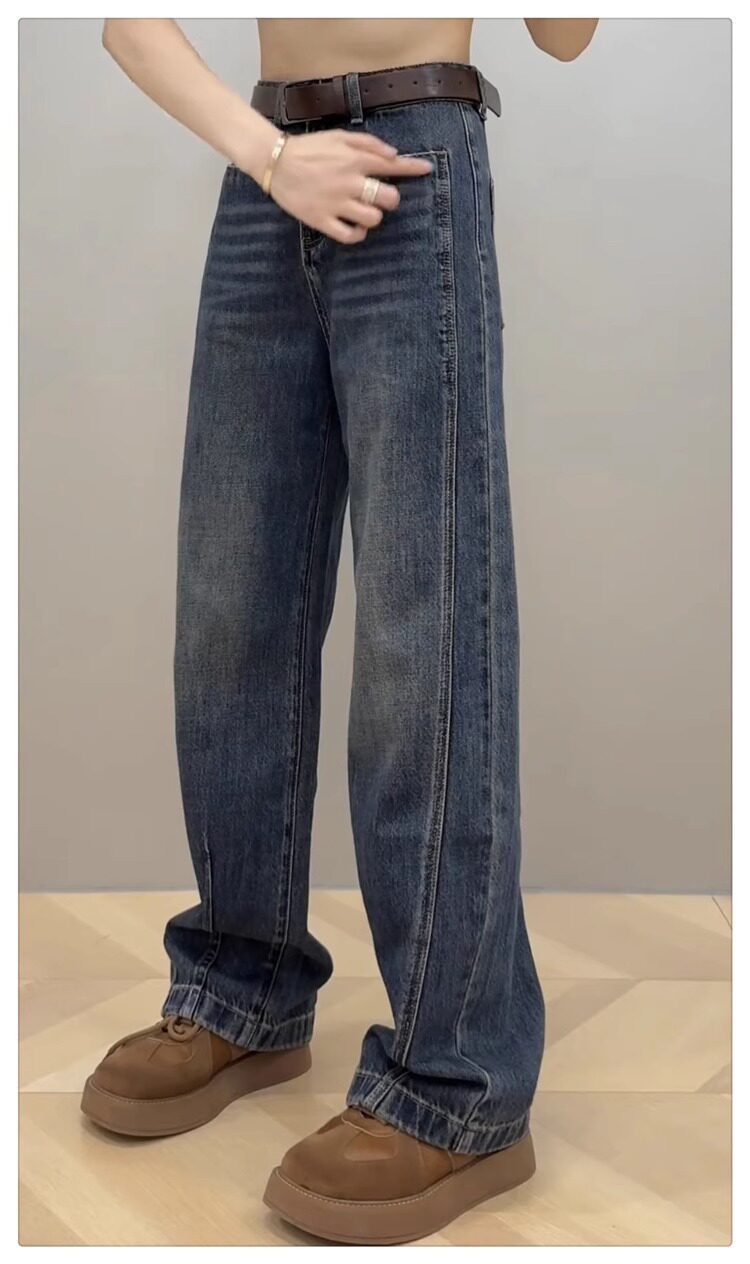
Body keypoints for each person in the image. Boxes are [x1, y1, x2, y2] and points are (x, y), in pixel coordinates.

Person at [81, 17, 598, 1245]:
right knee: (230, 611)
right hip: (265, 175)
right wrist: (269, 157)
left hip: (416, 166)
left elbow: (567, 36)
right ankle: (241, 987)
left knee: (427, 633)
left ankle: (458, 1081)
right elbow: (123, 21)